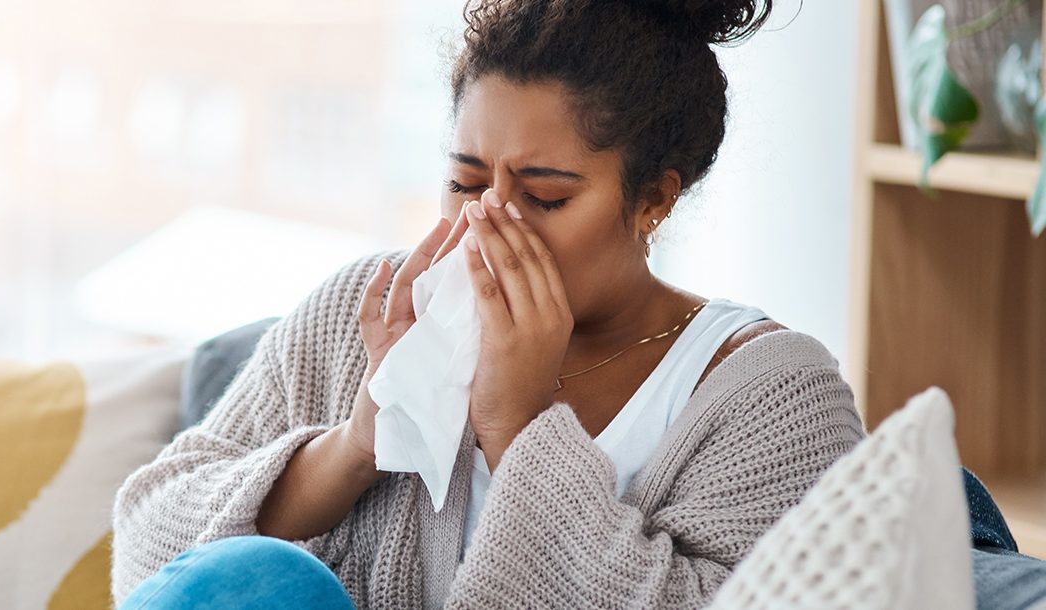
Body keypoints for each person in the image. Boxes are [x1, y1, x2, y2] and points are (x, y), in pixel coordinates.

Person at [111, 0, 870, 608]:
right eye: (467, 183)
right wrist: (356, 447)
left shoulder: (773, 397)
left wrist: (521, 431)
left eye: (543, 196)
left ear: (653, 201)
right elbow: (149, 554)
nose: (488, 223)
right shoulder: (365, 310)